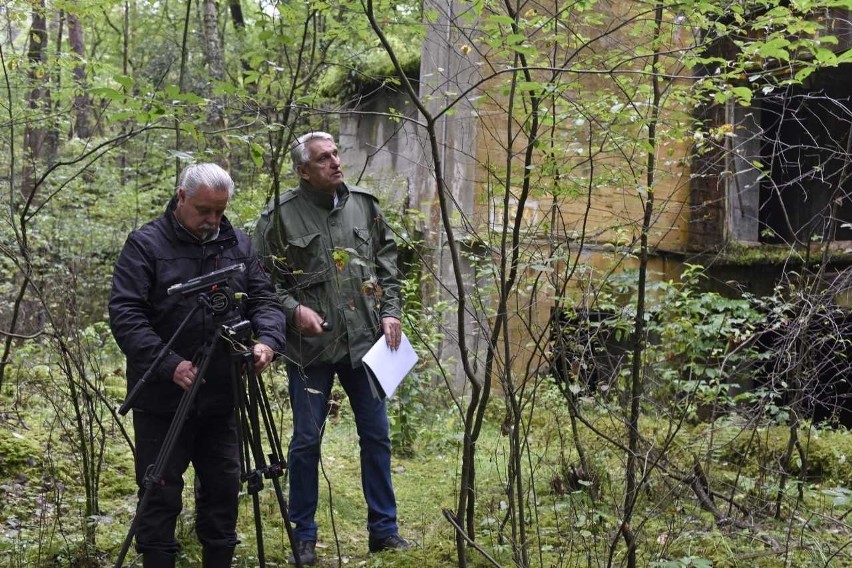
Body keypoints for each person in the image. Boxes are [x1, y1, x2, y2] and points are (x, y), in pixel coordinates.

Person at [109, 163, 286, 568]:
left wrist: (268, 343)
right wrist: (168, 363)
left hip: (223, 395)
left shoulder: (238, 244)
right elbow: (126, 315)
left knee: (224, 490)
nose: (212, 220)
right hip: (162, 398)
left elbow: (265, 300)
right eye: (204, 210)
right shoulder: (145, 245)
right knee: (159, 492)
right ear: (181, 196)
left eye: (220, 211)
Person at [253, 131, 410, 565]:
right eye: (324, 159)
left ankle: (384, 530)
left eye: (336, 154)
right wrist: (292, 310)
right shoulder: (279, 217)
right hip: (312, 349)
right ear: (303, 171)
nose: (336, 163)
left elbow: (389, 265)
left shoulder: (365, 205)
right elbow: (261, 283)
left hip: (365, 344)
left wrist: (391, 311)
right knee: (306, 441)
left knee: (376, 435)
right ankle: (304, 536)